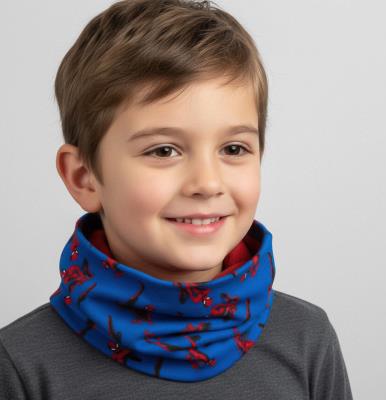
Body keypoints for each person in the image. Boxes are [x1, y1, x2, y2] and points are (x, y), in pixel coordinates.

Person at [0, 0, 353, 398]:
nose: (207, 183)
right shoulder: (20, 366)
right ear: (84, 178)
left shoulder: (307, 339)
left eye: (233, 149)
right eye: (164, 151)